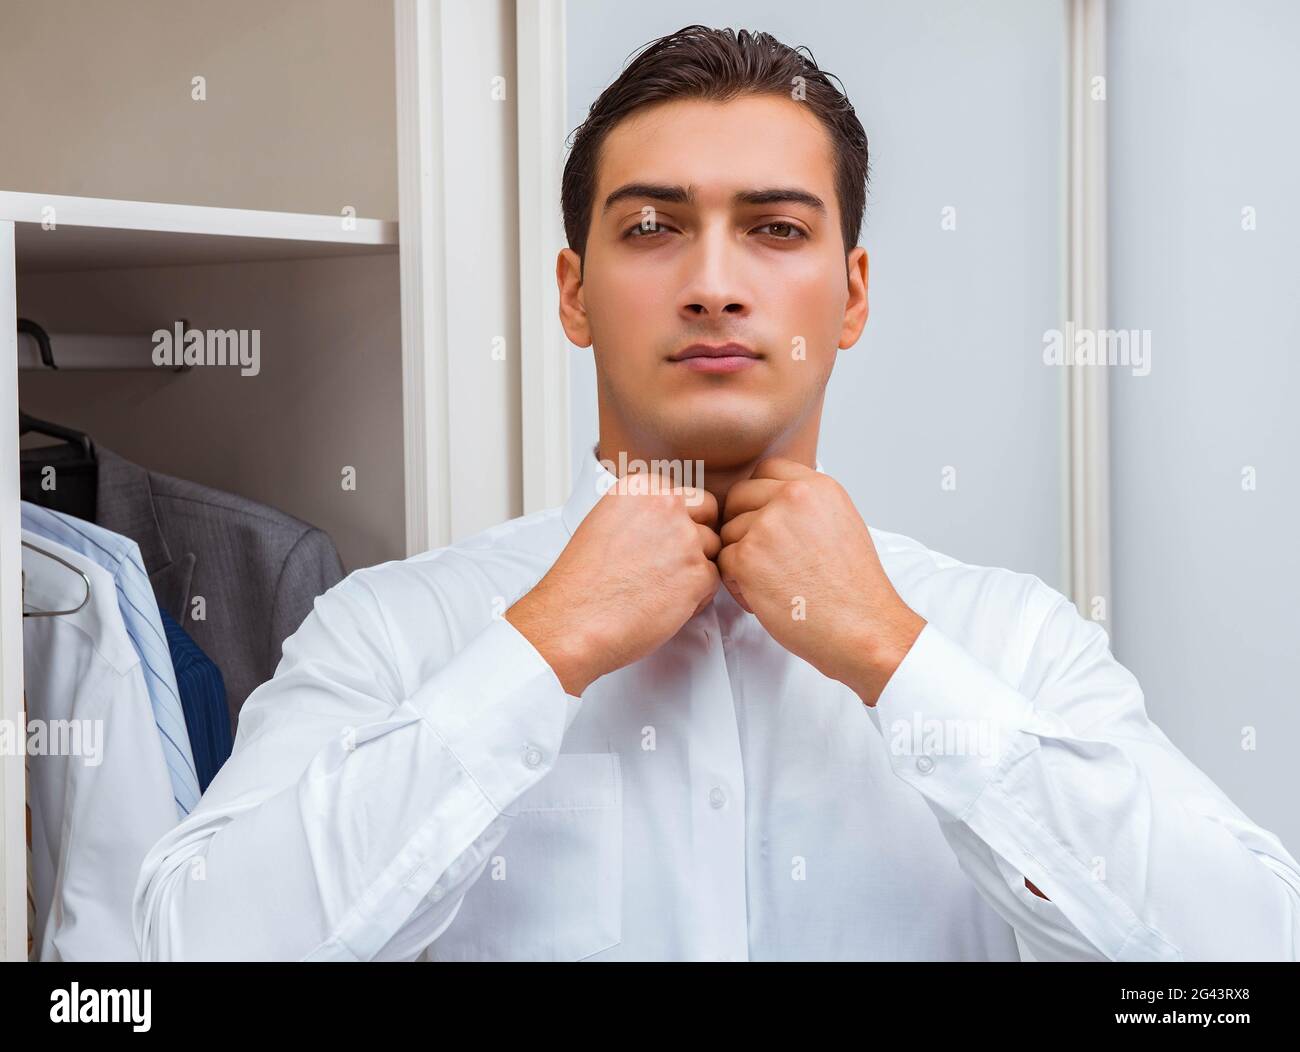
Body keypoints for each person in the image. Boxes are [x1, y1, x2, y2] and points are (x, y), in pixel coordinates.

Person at [133, 24, 1300, 961]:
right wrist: (542, 649)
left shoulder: (1011, 643)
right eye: (653, 226)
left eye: (774, 228)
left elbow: (1240, 955)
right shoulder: (390, 633)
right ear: (574, 292)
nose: (712, 284)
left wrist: (894, 653)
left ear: (849, 295)